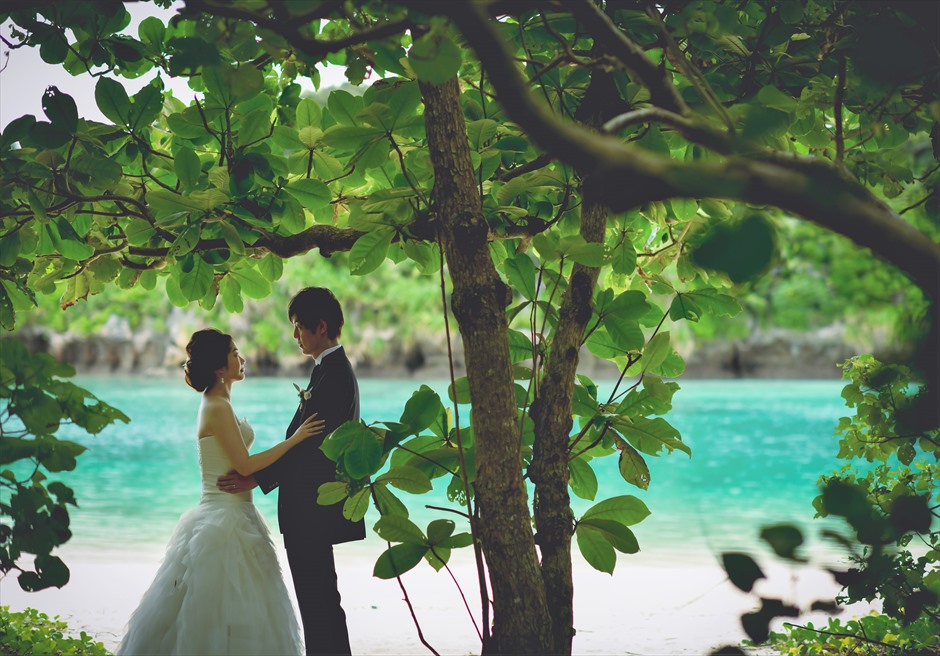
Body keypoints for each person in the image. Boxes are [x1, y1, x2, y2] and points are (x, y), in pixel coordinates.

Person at [116, 329, 323, 656]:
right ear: (219, 368)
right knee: (223, 608)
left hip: (236, 512)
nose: (242, 359)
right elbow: (244, 465)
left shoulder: (220, 402)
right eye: (234, 353)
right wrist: (295, 439)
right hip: (224, 519)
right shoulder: (216, 406)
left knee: (243, 606)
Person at [218, 287, 365, 655]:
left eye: (300, 327)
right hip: (309, 509)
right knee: (321, 600)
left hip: (312, 509)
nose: (295, 336)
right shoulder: (327, 371)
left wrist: (256, 477)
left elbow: (312, 450)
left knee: (318, 603)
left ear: (321, 326)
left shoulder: (334, 375)